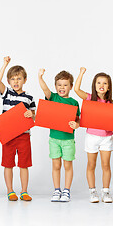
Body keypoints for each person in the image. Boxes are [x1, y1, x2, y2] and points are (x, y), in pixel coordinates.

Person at [74, 67, 113, 203]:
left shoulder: (111, 103)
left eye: (105, 83)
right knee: (91, 164)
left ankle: (106, 192)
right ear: (94, 85)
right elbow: (76, 90)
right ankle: (92, 191)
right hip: (91, 137)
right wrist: (81, 73)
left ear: (109, 87)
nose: (101, 85)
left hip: (106, 137)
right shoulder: (89, 98)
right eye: (99, 82)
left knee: (106, 165)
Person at [0, 56, 36, 201]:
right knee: (8, 164)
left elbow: (35, 117)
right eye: (13, 79)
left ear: (24, 80)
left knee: (24, 165)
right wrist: (5, 64)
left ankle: (24, 191)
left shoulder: (29, 98)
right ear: (9, 81)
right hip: (8, 135)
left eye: (19, 79)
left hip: (24, 135)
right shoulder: (6, 93)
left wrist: (31, 114)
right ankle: (10, 190)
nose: (16, 82)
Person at [38, 69, 80, 202]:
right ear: (55, 86)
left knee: (68, 166)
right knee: (56, 165)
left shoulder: (74, 102)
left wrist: (77, 125)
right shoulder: (53, 97)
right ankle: (57, 190)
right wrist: (40, 77)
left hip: (68, 140)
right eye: (59, 85)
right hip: (54, 139)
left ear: (71, 87)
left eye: (65, 85)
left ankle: (66, 190)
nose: (62, 87)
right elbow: (45, 89)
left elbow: (78, 119)